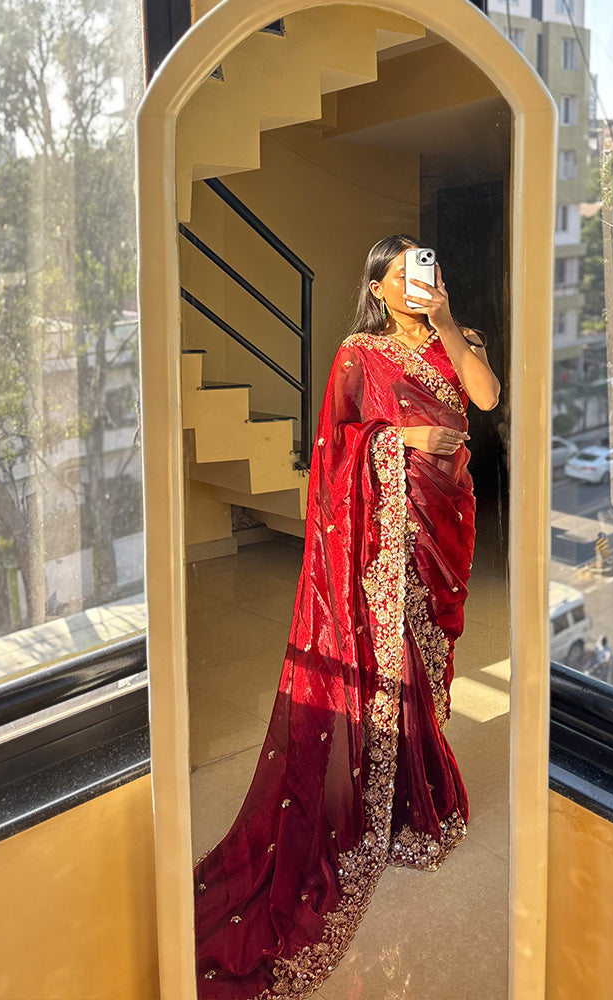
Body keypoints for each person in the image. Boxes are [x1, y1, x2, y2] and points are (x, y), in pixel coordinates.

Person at [193, 235, 501, 998]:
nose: (413, 285)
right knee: (391, 667)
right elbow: (333, 448)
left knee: (430, 665)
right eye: (400, 275)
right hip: (385, 539)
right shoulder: (358, 355)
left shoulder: (459, 340)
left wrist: (453, 321)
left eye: (425, 271)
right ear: (378, 286)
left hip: (446, 521)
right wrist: (403, 441)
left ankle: (416, 794)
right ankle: (394, 806)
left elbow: (486, 398)